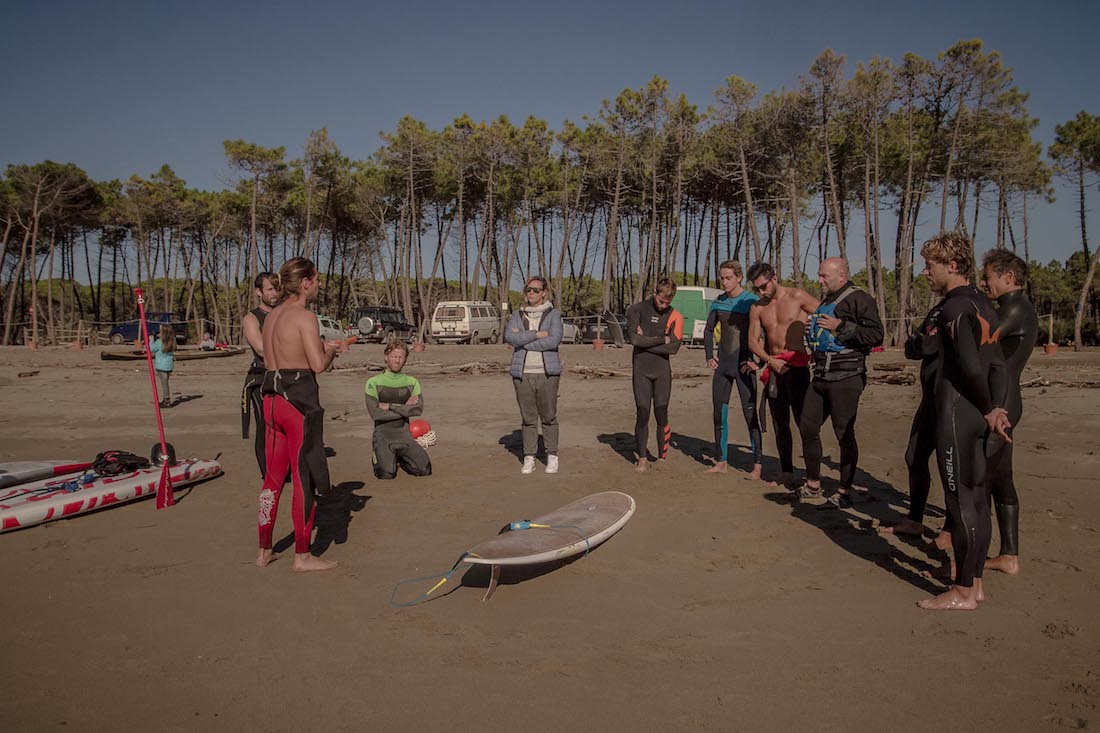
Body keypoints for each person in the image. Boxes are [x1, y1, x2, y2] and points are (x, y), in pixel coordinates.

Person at [918, 232, 1011, 610]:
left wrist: (989, 407)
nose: (925, 273)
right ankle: (974, 583)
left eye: (930, 266)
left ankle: (960, 593)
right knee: (977, 499)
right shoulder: (984, 304)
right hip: (979, 414)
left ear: (952, 266)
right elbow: (1000, 365)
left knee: (959, 503)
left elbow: (972, 366)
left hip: (958, 412)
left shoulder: (953, 308)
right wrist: (997, 407)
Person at [255, 257, 344, 572]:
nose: (319, 284)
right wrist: (331, 349)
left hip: (270, 400)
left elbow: (271, 358)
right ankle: (303, 555)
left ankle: (264, 550)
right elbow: (317, 365)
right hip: (297, 404)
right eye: (317, 279)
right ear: (305, 282)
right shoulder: (304, 317)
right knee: (302, 480)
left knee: (273, 479)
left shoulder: (272, 316)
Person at [798, 258, 884, 508]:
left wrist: (840, 326)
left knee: (843, 433)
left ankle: (845, 490)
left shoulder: (860, 299)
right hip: (821, 376)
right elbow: (826, 331)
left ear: (842, 275)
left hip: (846, 377)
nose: (820, 280)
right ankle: (813, 484)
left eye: (824, 276)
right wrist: (812, 331)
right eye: (820, 275)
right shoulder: (827, 300)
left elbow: (876, 335)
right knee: (807, 427)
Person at [982, 249, 1038, 576]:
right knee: (1002, 478)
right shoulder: (1011, 307)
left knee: (982, 477)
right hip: (1005, 398)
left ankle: (971, 556)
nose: (984, 282)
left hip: (1002, 401)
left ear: (1008, 278)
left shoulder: (1015, 308)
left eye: (988, 277)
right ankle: (1009, 556)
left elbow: (983, 339)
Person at [745, 262, 819, 486]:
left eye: (764, 286)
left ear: (774, 278)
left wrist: (815, 338)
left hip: (797, 366)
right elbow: (752, 341)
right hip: (774, 367)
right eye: (757, 288)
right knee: (780, 422)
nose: (761, 292)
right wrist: (769, 361)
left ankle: (812, 476)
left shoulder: (797, 296)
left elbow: (826, 316)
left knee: (803, 422)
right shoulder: (758, 308)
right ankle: (786, 471)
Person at [878, 293, 947, 537]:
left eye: (930, 266)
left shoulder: (966, 307)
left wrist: (926, 343)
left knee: (950, 466)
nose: (926, 272)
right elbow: (912, 347)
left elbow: (933, 345)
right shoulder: (938, 309)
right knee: (914, 457)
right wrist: (923, 343)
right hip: (929, 401)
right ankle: (915, 519)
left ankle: (952, 527)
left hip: (954, 403)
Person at [703, 260, 763, 478]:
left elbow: (765, 332)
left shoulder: (751, 301)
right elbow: (708, 330)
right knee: (719, 414)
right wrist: (710, 356)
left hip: (744, 365)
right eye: (722, 278)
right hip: (723, 366)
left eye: (728, 277)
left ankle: (757, 464)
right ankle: (721, 461)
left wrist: (761, 361)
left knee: (750, 414)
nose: (724, 282)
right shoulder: (718, 302)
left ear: (739, 277)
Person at [504, 276, 564, 475]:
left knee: (548, 416)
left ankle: (551, 455)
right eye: (528, 289)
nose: (531, 293)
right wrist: (536, 334)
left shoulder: (554, 315)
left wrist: (523, 341)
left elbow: (554, 340)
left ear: (544, 292)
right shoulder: (516, 314)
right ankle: (529, 455)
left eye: (536, 290)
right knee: (528, 418)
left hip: (547, 373)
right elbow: (510, 337)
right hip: (522, 373)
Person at [627, 278, 684, 473]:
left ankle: (662, 456)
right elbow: (634, 339)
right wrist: (663, 339)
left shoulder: (675, 315)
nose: (664, 305)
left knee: (661, 411)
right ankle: (642, 457)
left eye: (668, 302)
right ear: (654, 292)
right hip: (641, 369)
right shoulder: (636, 310)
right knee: (643, 411)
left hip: (662, 371)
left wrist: (647, 340)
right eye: (661, 301)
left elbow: (674, 348)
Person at [365, 340, 432, 480]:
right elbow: (375, 413)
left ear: (405, 359)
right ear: (386, 356)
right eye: (394, 356)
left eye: (401, 357)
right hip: (383, 437)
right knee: (386, 474)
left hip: (405, 436)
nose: (397, 360)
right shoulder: (373, 382)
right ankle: (377, 456)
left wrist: (389, 406)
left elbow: (417, 410)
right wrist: (404, 408)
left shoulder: (412, 382)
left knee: (425, 470)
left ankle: (401, 459)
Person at [242, 273, 280, 477]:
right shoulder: (251, 318)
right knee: (265, 427)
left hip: (285, 377)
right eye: (269, 289)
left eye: (277, 288)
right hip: (261, 379)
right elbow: (261, 349)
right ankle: (269, 474)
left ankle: (285, 468)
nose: (275, 293)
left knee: (283, 426)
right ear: (258, 292)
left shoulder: (284, 314)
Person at [150, 325, 176, 409]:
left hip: (161, 366)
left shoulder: (159, 342)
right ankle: (166, 399)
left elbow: (151, 348)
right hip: (169, 365)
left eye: (160, 331)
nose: (159, 333)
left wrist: (151, 340)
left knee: (164, 383)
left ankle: (167, 401)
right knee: (165, 383)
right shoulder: (172, 341)